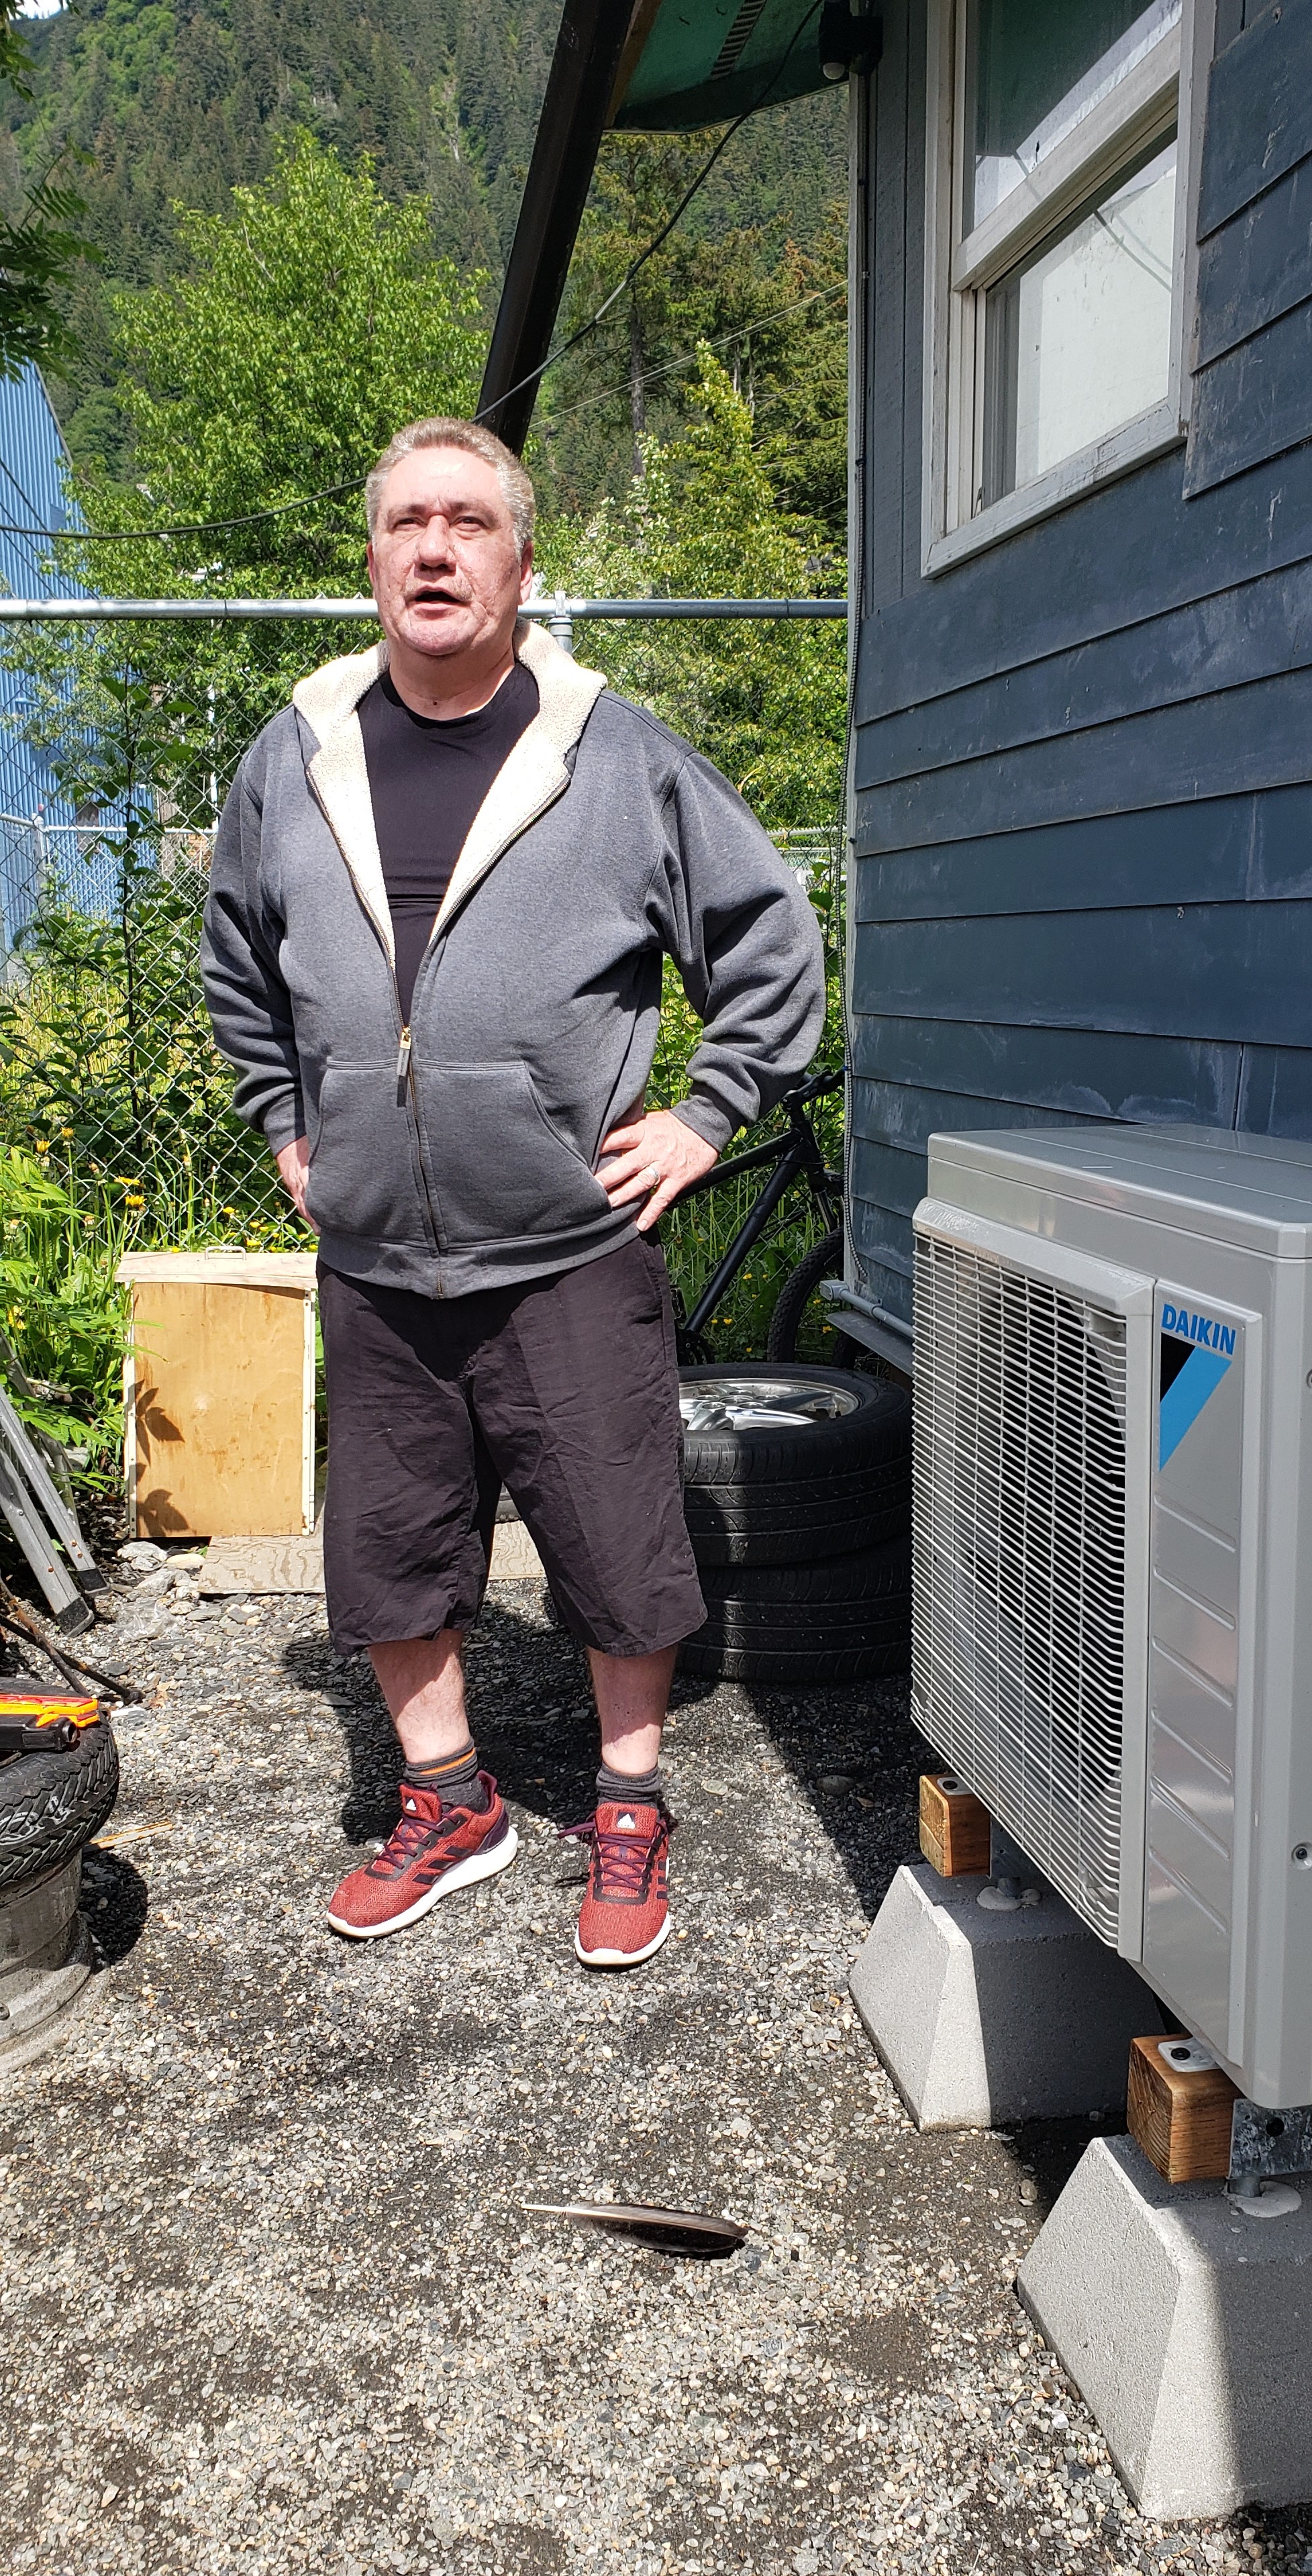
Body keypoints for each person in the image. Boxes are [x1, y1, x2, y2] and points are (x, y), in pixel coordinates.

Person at [201, 415, 825, 1969]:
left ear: (521, 563)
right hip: (376, 1252)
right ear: (371, 559)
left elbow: (766, 935)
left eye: (467, 522)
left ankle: (628, 1805)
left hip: (569, 1243)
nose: (433, 548)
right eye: (406, 521)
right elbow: (237, 961)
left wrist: (707, 1113)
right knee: (389, 1545)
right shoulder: (297, 752)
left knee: (617, 1539)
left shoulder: (615, 754)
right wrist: (287, 1122)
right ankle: (448, 1797)